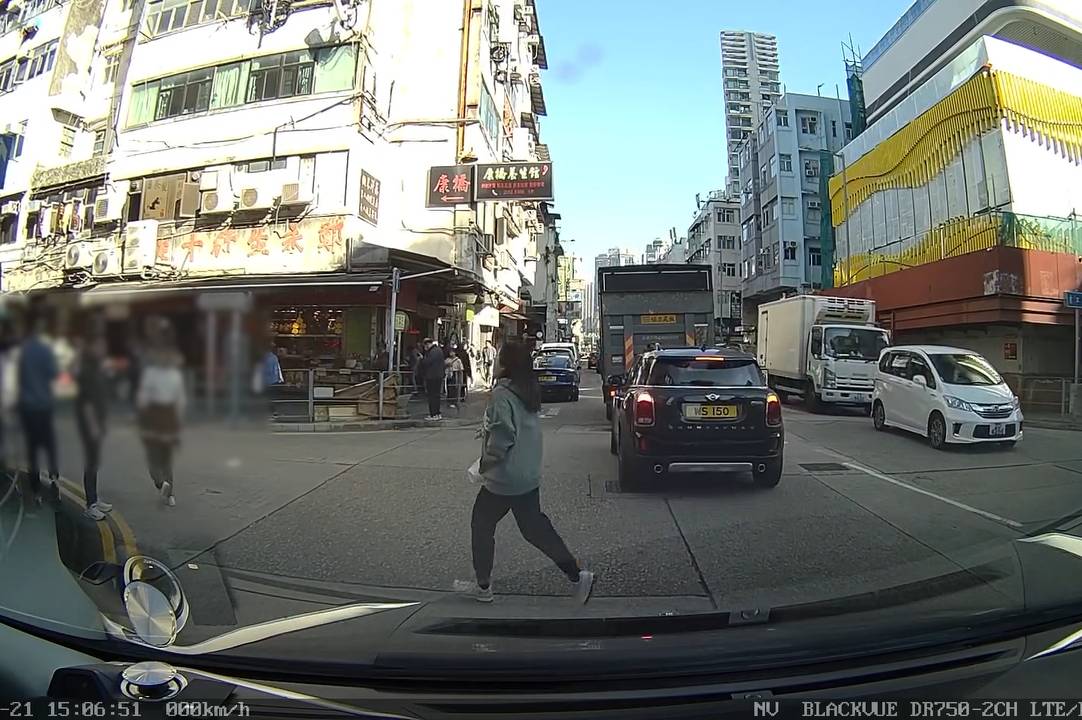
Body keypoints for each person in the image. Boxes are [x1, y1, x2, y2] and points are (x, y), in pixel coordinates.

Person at [462, 341, 594, 604]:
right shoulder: (527, 390)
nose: (495, 361)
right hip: (527, 474)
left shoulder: (502, 393)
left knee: (482, 525)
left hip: (505, 477)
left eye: (499, 357)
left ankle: (483, 586)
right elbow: (515, 427)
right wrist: (487, 430)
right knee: (535, 529)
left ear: (506, 364)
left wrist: (483, 465)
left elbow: (503, 438)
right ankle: (577, 575)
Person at [136, 321, 186, 507]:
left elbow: (143, 396)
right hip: (167, 414)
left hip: (155, 414)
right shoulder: (172, 374)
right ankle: (168, 492)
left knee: (154, 456)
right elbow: (180, 399)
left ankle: (161, 484)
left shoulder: (153, 373)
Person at [17, 314, 60, 506]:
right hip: (44, 404)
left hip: (28, 406)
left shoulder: (22, 352)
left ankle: (35, 491)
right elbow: (53, 373)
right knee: (49, 445)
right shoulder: (45, 350)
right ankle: (54, 480)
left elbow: (18, 378)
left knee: (32, 449)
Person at [74, 323, 112, 521]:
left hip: (97, 418)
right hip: (89, 421)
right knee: (91, 461)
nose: (103, 348)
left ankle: (95, 498)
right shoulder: (87, 369)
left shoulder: (96, 366)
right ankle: (91, 505)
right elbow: (87, 402)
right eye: (100, 344)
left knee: (95, 461)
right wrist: (94, 426)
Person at [417, 337, 445, 421]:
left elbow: (427, 362)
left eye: (424, 346)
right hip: (438, 376)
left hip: (432, 376)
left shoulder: (432, 352)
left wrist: (422, 358)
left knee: (432, 396)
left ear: (427, 344)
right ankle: (437, 413)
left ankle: (434, 414)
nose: (424, 348)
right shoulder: (438, 350)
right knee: (436, 395)